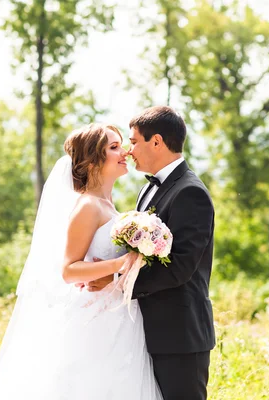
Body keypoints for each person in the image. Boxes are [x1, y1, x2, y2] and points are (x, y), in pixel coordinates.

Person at [0, 123, 163, 400]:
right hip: (92, 318)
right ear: (93, 160)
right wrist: (122, 264)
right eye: (114, 147)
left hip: (119, 316)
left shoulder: (109, 205)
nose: (125, 152)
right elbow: (70, 270)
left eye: (122, 145)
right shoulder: (87, 206)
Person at [88, 106, 215, 400]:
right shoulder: (148, 190)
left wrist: (115, 281)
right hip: (147, 333)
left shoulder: (190, 192)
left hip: (179, 337)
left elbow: (180, 268)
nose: (130, 151)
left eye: (134, 141)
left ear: (156, 141)